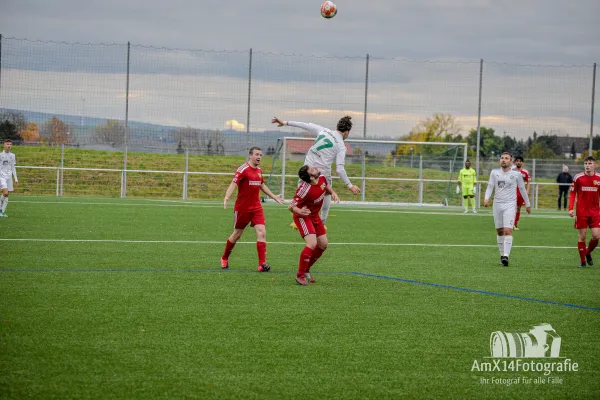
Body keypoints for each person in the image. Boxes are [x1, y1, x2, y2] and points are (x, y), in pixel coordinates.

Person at [271, 116, 360, 229]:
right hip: (322, 172)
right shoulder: (341, 145)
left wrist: (284, 122)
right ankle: (322, 223)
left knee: (302, 191)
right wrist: (350, 185)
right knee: (327, 192)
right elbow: (340, 168)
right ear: (347, 132)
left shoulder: (324, 130)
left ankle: (298, 219)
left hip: (307, 169)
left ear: (337, 127)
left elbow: (305, 124)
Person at [221, 147, 284, 271]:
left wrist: (273, 196)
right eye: (256, 154)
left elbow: (261, 184)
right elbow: (233, 183)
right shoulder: (243, 169)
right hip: (243, 208)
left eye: (261, 154)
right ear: (250, 155)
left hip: (256, 208)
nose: (259, 157)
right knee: (236, 235)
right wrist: (226, 197)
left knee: (262, 232)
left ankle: (262, 264)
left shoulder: (259, 170)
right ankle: (224, 258)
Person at [289, 165, 340, 286]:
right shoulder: (304, 189)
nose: (315, 168)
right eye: (312, 170)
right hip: (303, 216)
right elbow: (290, 206)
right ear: (311, 177)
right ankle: (300, 275)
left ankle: (306, 268)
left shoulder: (321, 177)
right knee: (312, 243)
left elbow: (325, 184)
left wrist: (333, 192)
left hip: (314, 216)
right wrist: (299, 211)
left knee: (323, 245)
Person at [484, 152, 531, 267]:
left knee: (508, 231)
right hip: (497, 205)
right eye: (502, 158)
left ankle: (506, 256)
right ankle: (501, 256)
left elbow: (522, 189)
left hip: (510, 205)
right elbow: (490, 186)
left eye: (506, 158)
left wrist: (528, 204)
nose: (503, 160)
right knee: (499, 231)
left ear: (511, 161)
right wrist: (486, 198)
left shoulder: (516, 174)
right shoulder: (494, 173)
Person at [568, 157, 600, 268]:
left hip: (595, 212)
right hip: (581, 212)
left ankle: (587, 252)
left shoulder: (599, 178)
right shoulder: (578, 177)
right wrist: (571, 208)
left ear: (594, 165)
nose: (587, 165)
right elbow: (572, 194)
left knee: (596, 236)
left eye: (590, 163)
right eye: (585, 163)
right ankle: (583, 262)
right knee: (582, 236)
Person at [0, 139, 19, 217]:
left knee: (6, 195)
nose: (9, 146)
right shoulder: (0, 155)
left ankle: (2, 212)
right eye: (7, 144)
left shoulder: (12, 155)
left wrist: (16, 178)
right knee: (5, 193)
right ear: (4, 145)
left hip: (9, 177)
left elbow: (13, 167)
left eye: (10, 144)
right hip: (1, 177)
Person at [512, 156, 531, 231]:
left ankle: (515, 224)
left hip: (521, 192)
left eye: (520, 161)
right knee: (512, 207)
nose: (518, 162)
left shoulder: (525, 172)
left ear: (522, 163)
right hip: (512, 191)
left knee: (518, 208)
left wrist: (527, 191)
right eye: (517, 161)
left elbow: (528, 182)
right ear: (515, 162)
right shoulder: (512, 170)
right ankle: (510, 223)